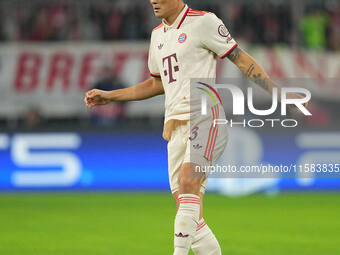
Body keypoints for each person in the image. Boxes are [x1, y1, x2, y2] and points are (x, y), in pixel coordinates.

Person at [84, 1, 305, 254]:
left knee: (188, 185)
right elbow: (157, 84)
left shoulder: (204, 22)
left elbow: (241, 59)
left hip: (205, 117)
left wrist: (278, 93)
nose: (153, 0)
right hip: (175, 126)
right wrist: (111, 96)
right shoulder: (157, 36)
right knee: (190, 216)